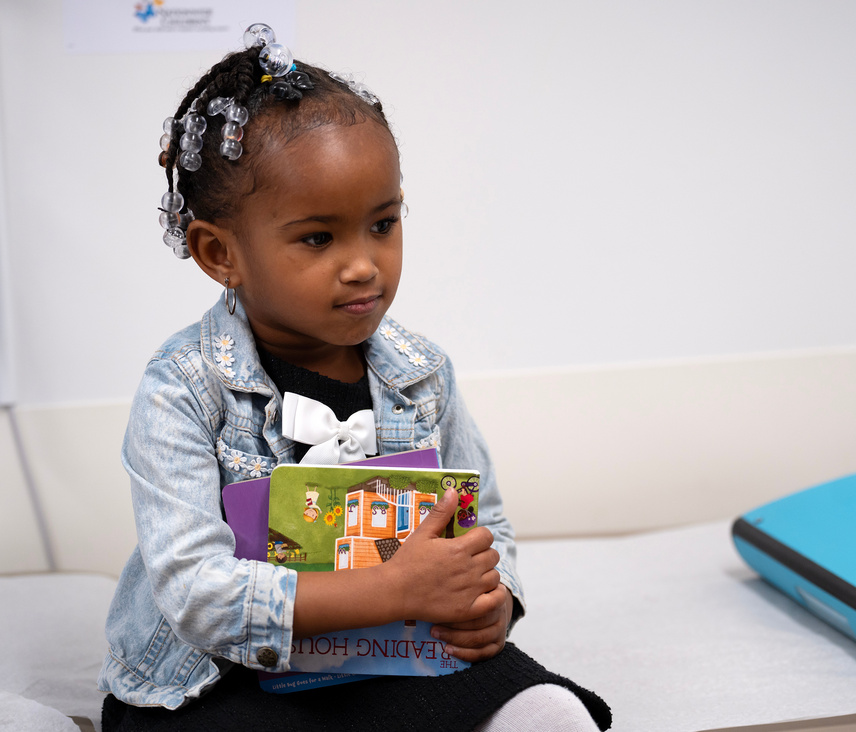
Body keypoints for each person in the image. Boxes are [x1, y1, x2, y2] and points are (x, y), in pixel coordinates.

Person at [98, 23, 612, 732]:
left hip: (387, 654)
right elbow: (197, 593)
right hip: (220, 674)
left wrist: (495, 602)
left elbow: (482, 519)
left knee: (548, 711)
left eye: (383, 224)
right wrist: (388, 586)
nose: (364, 264)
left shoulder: (422, 373)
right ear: (221, 254)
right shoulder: (183, 389)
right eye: (318, 238)